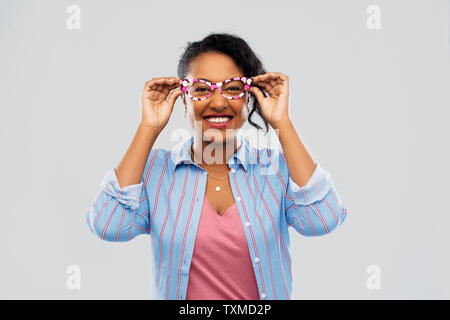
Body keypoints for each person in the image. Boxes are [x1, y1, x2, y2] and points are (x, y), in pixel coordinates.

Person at [85, 32, 349, 300]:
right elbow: (109, 225)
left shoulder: (275, 168)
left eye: (232, 88)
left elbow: (322, 219)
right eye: (201, 89)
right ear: (184, 99)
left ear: (249, 97)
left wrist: (283, 123)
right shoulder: (155, 170)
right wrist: (148, 127)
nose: (219, 102)